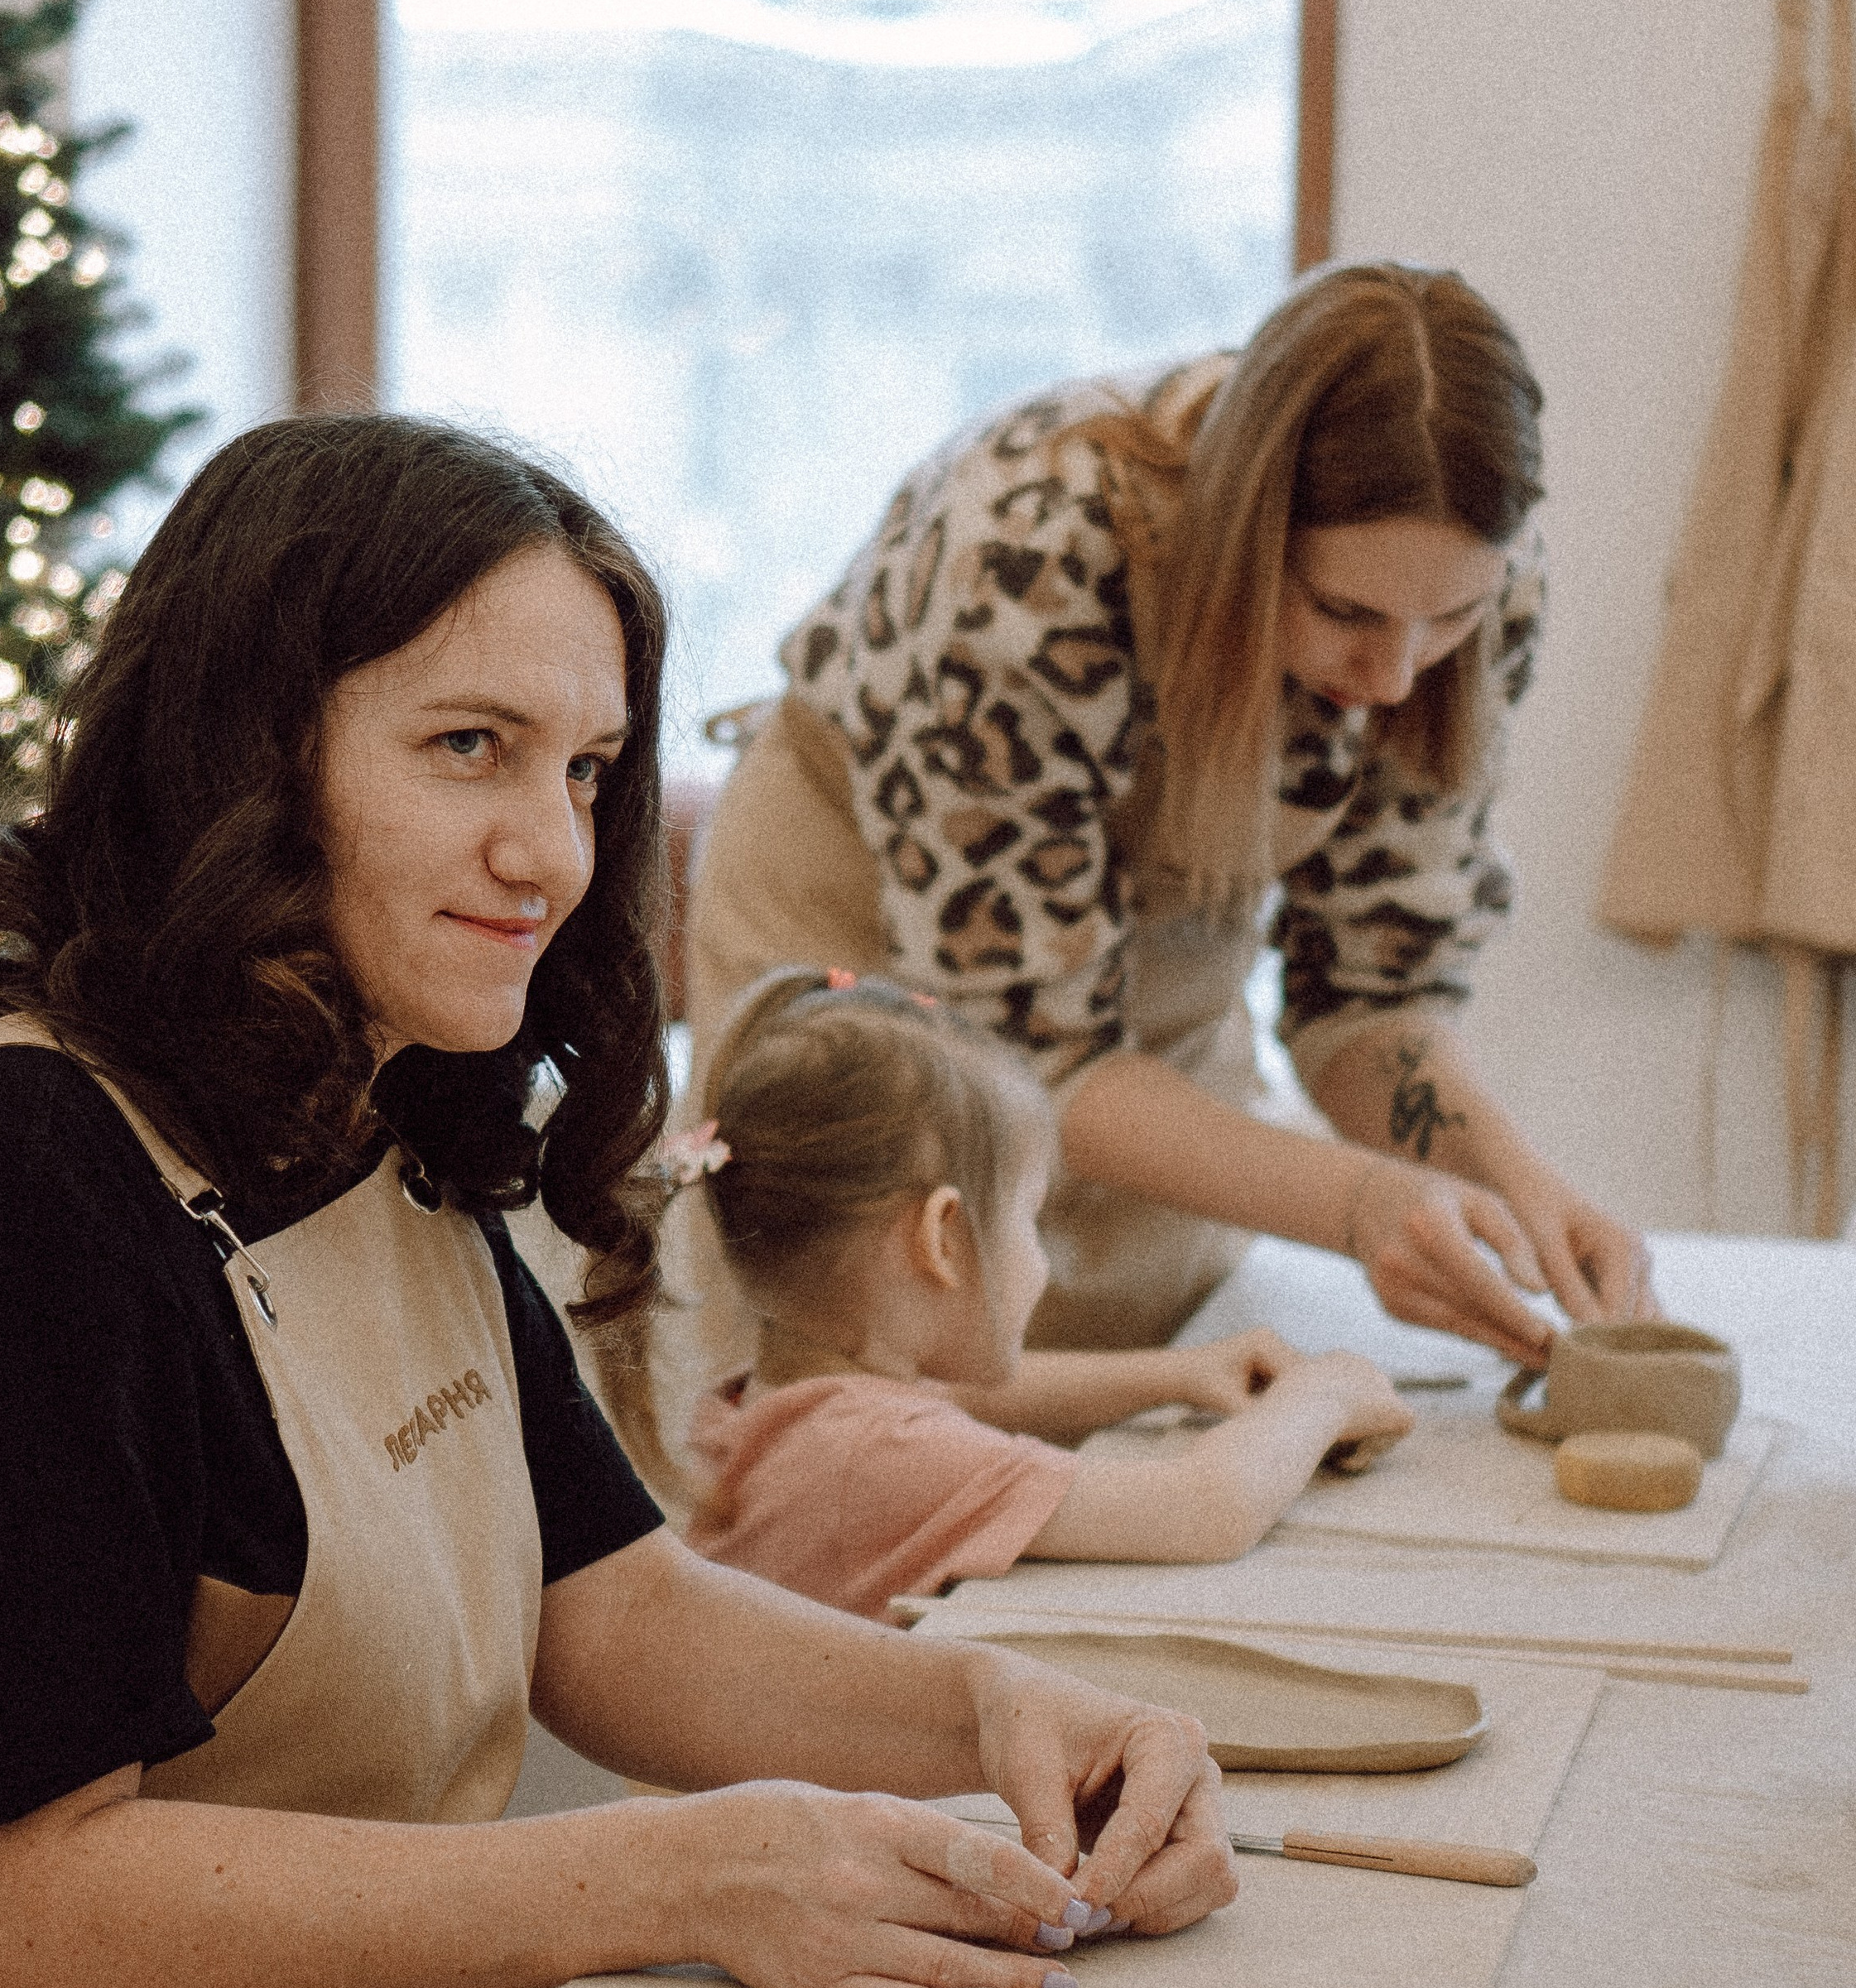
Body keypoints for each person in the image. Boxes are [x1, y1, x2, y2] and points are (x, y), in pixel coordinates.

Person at [0, 419, 1236, 1988]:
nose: (550, 848)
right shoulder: (9, 1197)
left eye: (587, 768)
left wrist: (994, 1709)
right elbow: (19, 1928)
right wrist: (688, 1871)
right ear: (243, 750)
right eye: (468, 748)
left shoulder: (374, 1121)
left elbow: (608, 1610)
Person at [683, 264, 1655, 1412]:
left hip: (1155, 957)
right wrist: (1359, 1207)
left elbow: (1371, 995)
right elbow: (1036, 1053)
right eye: (1345, 613)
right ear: (1247, 541)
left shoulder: (1468, 570)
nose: (1396, 675)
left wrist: (1520, 1190)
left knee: (1166, 1385)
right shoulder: (1025, 550)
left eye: (1449, 621)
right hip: (864, 935)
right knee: (859, 1398)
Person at [681, 968, 1413, 1622]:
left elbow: (957, 1399)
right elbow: (1207, 1507)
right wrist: (1327, 1393)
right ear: (942, 1239)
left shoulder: (782, 1403)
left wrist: (1176, 1373)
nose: (1044, 1258)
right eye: (1030, 1220)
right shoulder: (875, 1457)